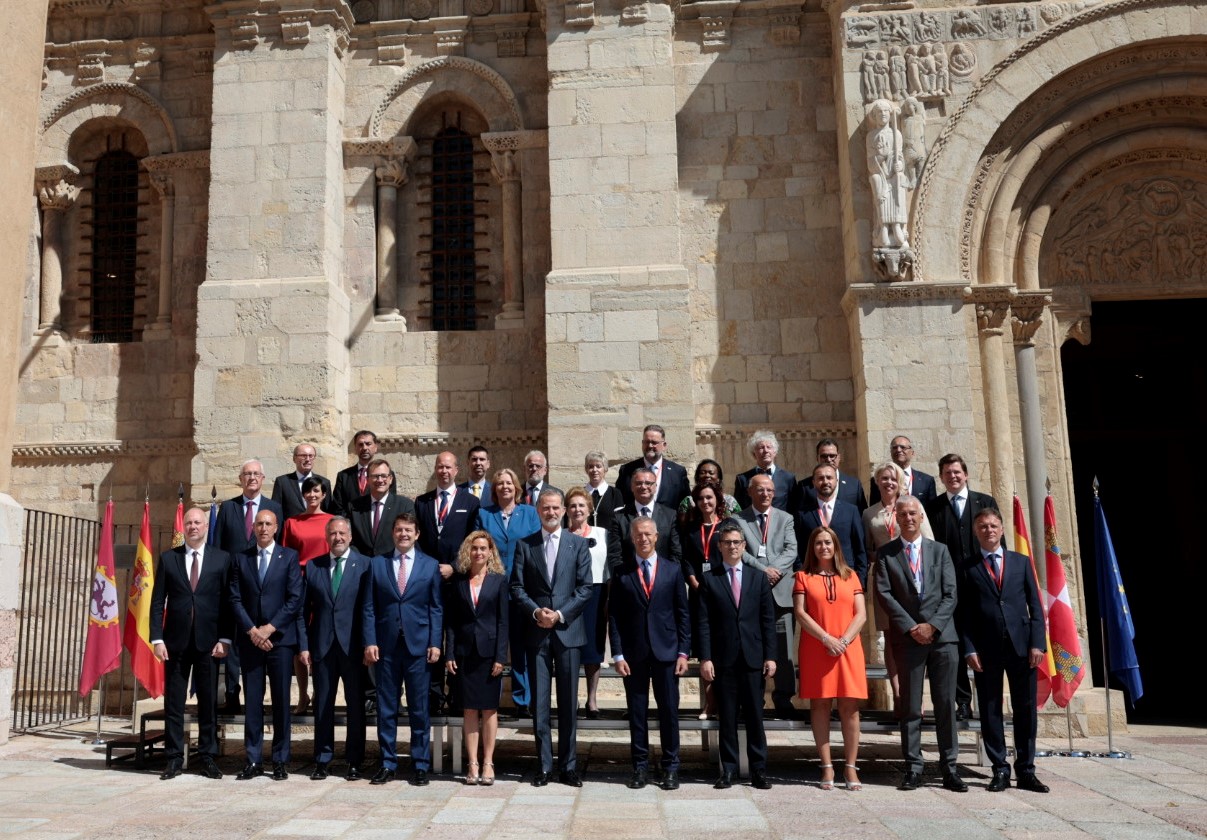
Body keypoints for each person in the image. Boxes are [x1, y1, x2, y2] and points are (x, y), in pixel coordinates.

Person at [875, 496, 966, 792]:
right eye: (903, 514)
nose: (909, 518)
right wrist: (912, 627)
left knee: (944, 705)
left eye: (913, 513)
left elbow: (951, 594)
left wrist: (933, 626)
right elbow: (885, 595)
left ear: (921, 515)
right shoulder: (886, 554)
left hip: (942, 639)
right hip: (909, 639)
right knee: (911, 706)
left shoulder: (939, 551)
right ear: (897, 519)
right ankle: (913, 766)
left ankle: (949, 767)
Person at [958, 508, 1049, 793]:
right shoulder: (967, 566)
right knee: (990, 709)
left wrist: (1038, 643)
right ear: (976, 531)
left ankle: (1026, 770)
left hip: (1022, 647)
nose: (989, 530)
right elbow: (963, 613)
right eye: (983, 526)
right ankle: (999, 768)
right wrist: (969, 648)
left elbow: (1035, 605)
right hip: (986, 649)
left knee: (1025, 710)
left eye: (993, 525)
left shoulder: (1021, 563)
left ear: (1002, 529)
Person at [510, 488, 592, 787]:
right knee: (541, 704)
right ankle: (544, 766)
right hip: (536, 634)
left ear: (564, 510)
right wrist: (536, 613)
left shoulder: (578, 545)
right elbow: (517, 587)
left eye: (556, 507)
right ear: (538, 510)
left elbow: (585, 589)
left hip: (568, 632)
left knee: (569, 704)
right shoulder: (524, 545)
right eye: (546, 508)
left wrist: (558, 615)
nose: (552, 512)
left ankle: (569, 766)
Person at [608, 516, 691, 790]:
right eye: (638, 535)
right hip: (634, 655)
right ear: (632, 538)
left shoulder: (672, 569)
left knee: (668, 712)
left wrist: (683, 652)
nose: (643, 539)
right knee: (637, 713)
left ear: (657, 537)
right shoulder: (621, 573)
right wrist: (617, 655)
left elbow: (682, 614)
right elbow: (615, 617)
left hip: (667, 653)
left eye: (648, 534)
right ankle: (640, 767)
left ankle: (671, 767)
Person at [150, 507, 232, 781]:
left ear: (207, 526)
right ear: (183, 527)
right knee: (174, 703)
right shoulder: (169, 559)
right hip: (175, 643)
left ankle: (207, 756)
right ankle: (173, 758)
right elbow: (158, 600)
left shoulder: (221, 559)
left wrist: (225, 638)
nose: (193, 526)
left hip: (209, 643)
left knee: (208, 703)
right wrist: (157, 638)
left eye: (198, 522)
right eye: (189, 522)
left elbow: (227, 603)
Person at [363, 512, 443, 786]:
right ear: (392, 533)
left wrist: (435, 642)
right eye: (399, 530)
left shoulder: (430, 565)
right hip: (386, 647)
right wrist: (370, 641)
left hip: (418, 646)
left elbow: (435, 607)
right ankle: (387, 762)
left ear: (417, 534)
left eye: (408, 530)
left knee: (419, 707)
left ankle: (420, 764)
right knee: (387, 707)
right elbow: (369, 607)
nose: (403, 534)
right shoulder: (377, 564)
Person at [696, 521, 777, 790]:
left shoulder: (758, 578)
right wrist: (705, 658)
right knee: (727, 716)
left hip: (753, 658)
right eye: (727, 542)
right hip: (723, 659)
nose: (732, 546)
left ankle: (759, 770)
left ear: (744, 546)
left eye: (736, 542)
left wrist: (771, 656)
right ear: (719, 547)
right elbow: (703, 622)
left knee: (755, 715)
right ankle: (728, 769)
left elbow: (768, 620)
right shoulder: (710, 579)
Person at [925, 452, 1002, 720]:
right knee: (955, 643)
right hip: (949, 587)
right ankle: (962, 701)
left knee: (985, 639)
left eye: (957, 472)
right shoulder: (932, 508)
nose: (953, 477)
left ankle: (990, 701)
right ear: (941, 478)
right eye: (947, 473)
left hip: (982, 583)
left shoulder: (985, 502)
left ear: (966, 474)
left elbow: (996, 542)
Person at [229, 509, 303, 781]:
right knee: (253, 702)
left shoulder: (289, 557)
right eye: (258, 523)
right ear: (253, 527)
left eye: (268, 524)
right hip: (251, 642)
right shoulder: (242, 559)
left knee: (282, 701)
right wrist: (252, 631)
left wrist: (269, 629)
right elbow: (234, 598)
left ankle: (281, 760)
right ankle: (253, 759)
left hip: (280, 642)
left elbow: (295, 599)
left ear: (276, 528)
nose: (263, 528)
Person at [298, 516, 373, 781]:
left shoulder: (365, 565)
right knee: (323, 705)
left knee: (355, 706)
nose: (338, 538)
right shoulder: (314, 567)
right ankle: (322, 759)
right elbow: (303, 611)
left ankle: (354, 760)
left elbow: (368, 608)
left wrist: (368, 643)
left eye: (342, 533)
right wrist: (304, 645)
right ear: (326, 537)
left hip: (353, 647)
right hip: (323, 647)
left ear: (350, 537)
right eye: (333, 534)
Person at [794, 526, 868, 791]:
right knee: (820, 705)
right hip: (817, 647)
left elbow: (861, 615)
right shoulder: (803, 577)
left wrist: (844, 640)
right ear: (812, 548)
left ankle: (850, 766)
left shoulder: (852, 576)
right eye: (818, 543)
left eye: (828, 542)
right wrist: (826, 638)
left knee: (850, 707)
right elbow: (801, 614)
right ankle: (826, 766)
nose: (823, 547)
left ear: (836, 546)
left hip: (848, 648)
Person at [213, 459, 283, 713]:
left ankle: (265, 698)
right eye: (247, 474)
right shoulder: (229, 507)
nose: (252, 477)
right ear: (240, 478)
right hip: (234, 585)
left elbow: (281, 546)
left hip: (264, 584)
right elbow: (219, 546)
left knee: (262, 639)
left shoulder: (273, 507)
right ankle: (232, 693)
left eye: (256, 474)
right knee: (232, 639)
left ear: (263, 478)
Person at [863, 461, 933, 718]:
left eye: (893, 478)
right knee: (892, 638)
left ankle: (917, 696)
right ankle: (898, 694)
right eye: (883, 478)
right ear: (877, 482)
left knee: (916, 634)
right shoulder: (869, 514)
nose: (888, 482)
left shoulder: (911, 507)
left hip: (914, 577)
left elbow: (930, 542)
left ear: (899, 482)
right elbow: (866, 549)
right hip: (884, 578)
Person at [415, 451, 482, 714]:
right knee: (431, 639)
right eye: (439, 467)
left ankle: (455, 696)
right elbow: (416, 541)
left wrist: (454, 567)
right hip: (429, 584)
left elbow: (473, 541)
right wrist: (432, 568)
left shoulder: (470, 502)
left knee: (456, 640)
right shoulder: (422, 502)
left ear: (457, 470)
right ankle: (433, 697)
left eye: (448, 467)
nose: (444, 471)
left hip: (458, 584)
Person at [444, 531, 509, 786]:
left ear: (490, 552)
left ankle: (488, 762)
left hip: (489, 653)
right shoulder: (458, 582)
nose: (479, 552)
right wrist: (449, 652)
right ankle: (472, 762)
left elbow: (504, 622)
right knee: (469, 709)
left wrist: (501, 656)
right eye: (474, 548)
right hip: (464, 652)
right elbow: (451, 621)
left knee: (490, 709)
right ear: (467, 551)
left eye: (483, 548)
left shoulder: (499, 581)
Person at [476, 467, 541, 714]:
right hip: (492, 587)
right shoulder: (484, 514)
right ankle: (487, 698)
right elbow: (478, 546)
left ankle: (523, 699)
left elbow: (537, 548)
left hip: (523, 587)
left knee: (522, 644)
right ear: (494, 490)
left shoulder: (530, 513)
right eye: (500, 483)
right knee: (492, 643)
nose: (505, 487)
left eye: (509, 483)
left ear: (517, 487)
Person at [736, 473, 799, 718]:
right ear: (750, 492)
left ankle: (784, 699)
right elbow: (739, 551)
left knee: (784, 652)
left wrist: (775, 570)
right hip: (751, 593)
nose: (765, 494)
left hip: (781, 594)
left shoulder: (786, 518)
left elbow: (792, 549)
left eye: (770, 490)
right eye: (760, 490)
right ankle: (755, 699)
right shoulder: (738, 519)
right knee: (754, 650)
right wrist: (764, 571)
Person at [282, 476, 335, 714]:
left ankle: (320, 692)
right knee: (299, 641)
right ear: (302, 495)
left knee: (322, 637)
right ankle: (302, 695)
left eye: (317, 491)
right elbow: (285, 556)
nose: (312, 495)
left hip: (325, 580)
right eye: (308, 491)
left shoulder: (332, 521)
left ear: (324, 494)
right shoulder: (292, 522)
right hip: (299, 583)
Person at [565, 487, 609, 719]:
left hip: (596, 593)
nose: (577, 509)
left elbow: (608, 568)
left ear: (589, 508)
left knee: (593, 649)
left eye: (581, 505)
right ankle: (571, 698)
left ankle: (592, 700)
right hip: (568, 596)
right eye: (572, 505)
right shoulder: (561, 535)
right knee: (570, 650)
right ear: (567, 510)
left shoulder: (602, 534)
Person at [795, 463, 868, 586]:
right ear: (813, 482)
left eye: (829, 477)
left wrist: (860, 582)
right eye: (820, 478)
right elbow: (798, 549)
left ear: (837, 481)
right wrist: (801, 576)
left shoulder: (851, 511)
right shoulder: (803, 514)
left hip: (846, 577)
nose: (825, 481)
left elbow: (860, 549)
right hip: (813, 578)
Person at [609, 467, 682, 574]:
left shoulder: (670, 515)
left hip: (663, 578)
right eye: (638, 483)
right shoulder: (619, 517)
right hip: (630, 579)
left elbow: (676, 552)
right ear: (632, 486)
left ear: (655, 487)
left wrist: (667, 576)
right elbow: (615, 555)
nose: (643, 486)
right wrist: (625, 579)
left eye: (648, 483)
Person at [349, 458, 416, 558]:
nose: (380, 480)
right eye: (375, 476)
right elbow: (350, 539)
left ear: (390, 479)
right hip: (363, 566)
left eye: (384, 476)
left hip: (392, 564)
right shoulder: (354, 507)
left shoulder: (405, 505)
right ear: (367, 479)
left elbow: (409, 538)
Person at [616, 424, 691, 509]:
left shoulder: (677, 472)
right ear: (642, 443)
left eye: (654, 443)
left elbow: (686, 503)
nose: (650, 446)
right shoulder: (627, 470)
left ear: (664, 445)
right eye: (647, 442)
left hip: (668, 521)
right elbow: (619, 501)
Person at [790, 438, 869, 514]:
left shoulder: (854, 485)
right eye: (824, 456)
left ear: (838, 457)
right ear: (817, 458)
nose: (828, 459)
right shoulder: (804, 486)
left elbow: (862, 515)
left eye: (832, 455)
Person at [332, 430, 395, 516]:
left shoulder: (387, 475)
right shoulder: (344, 476)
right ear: (355, 448)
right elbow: (337, 507)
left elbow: (390, 503)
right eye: (360, 444)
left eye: (368, 444)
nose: (364, 448)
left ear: (375, 447)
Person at [733, 430, 796, 511]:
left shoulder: (788, 478)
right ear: (754, 453)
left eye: (769, 447)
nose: (765, 451)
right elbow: (739, 509)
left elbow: (794, 508)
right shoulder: (743, 479)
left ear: (775, 452)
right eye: (761, 447)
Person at [869, 435, 937, 506]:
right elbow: (874, 508)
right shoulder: (878, 480)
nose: (898, 450)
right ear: (891, 452)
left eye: (903, 447)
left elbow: (932, 512)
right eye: (895, 447)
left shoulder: (927, 481)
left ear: (912, 453)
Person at [271, 443, 332, 520]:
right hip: (292, 529)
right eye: (303, 455)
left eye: (311, 456)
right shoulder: (282, 482)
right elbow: (276, 511)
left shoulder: (324, 482)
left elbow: (329, 511)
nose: (307, 459)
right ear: (294, 458)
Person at [677, 458, 741, 519]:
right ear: (697, 477)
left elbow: (739, 523)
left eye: (711, 473)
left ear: (718, 478)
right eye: (702, 473)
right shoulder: (688, 502)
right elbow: (682, 526)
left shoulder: (730, 501)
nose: (707, 475)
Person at [583, 450, 625, 533]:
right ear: (586, 469)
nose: (594, 470)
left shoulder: (615, 493)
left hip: (608, 542)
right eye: (591, 466)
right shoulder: (580, 493)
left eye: (598, 466)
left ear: (605, 469)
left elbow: (620, 522)